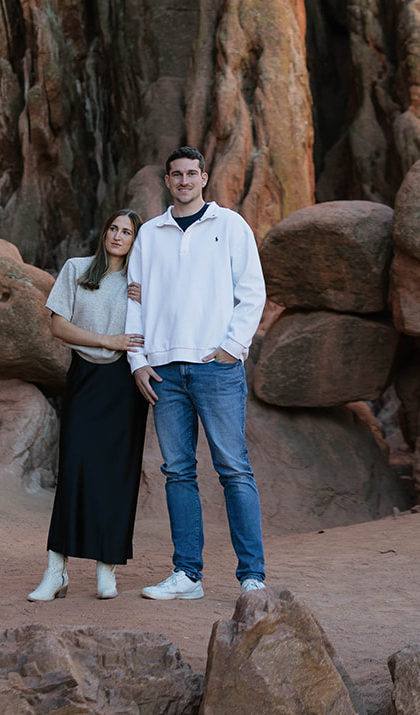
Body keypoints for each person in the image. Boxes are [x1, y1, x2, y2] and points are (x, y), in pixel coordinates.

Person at [126, 146, 267, 599]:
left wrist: (231, 348)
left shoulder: (229, 226)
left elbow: (252, 291)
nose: (184, 181)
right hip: (164, 369)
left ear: (204, 178)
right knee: (178, 472)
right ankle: (187, 575)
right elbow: (135, 300)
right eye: (176, 175)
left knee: (233, 469)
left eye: (192, 174)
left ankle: (252, 575)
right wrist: (138, 360)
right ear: (167, 181)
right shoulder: (150, 234)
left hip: (215, 367)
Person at [28, 210, 149, 601]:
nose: (117, 235)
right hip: (84, 377)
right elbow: (58, 326)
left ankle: (106, 568)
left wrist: (151, 297)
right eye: (113, 228)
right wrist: (106, 340)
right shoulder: (77, 269)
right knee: (75, 467)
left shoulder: (139, 282)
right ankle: (56, 571)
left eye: (127, 232)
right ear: (105, 232)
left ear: (135, 241)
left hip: (124, 383)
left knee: (117, 473)